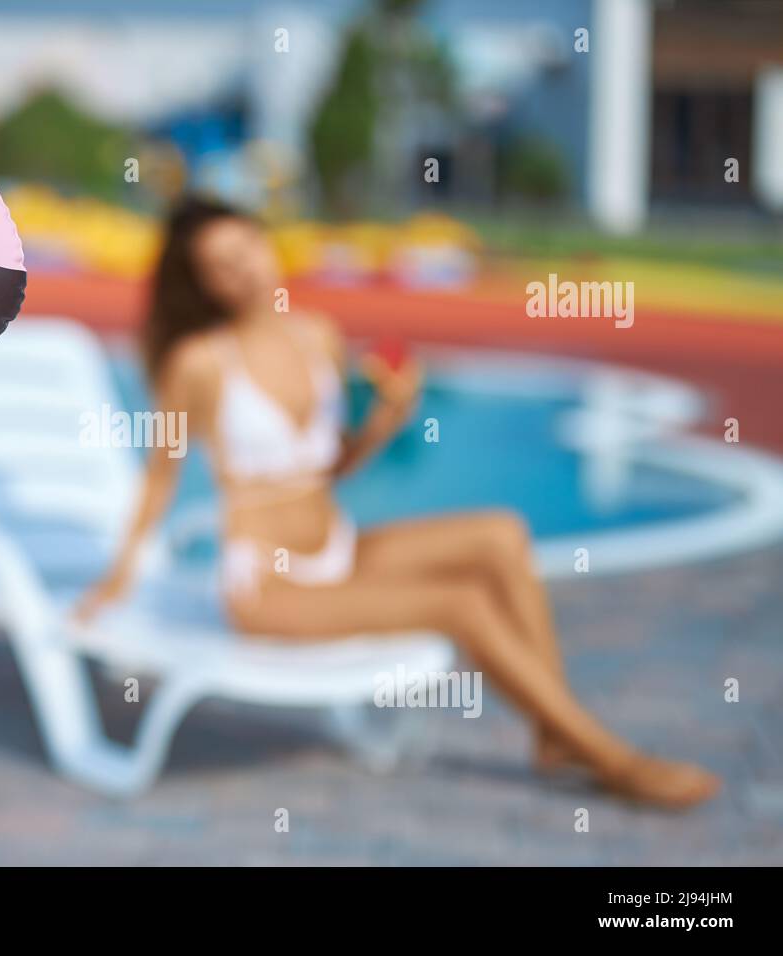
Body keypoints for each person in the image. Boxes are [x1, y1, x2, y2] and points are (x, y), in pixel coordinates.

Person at [74, 196, 719, 809]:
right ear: (204, 285)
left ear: (267, 243)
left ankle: (553, 737)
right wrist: (119, 578)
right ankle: (609, 757)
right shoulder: (201, 361)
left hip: (338, 547)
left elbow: (328, 467)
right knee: (458, 603)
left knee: (501, 534)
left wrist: (386, 421)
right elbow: (161, 478)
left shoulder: (317, 336)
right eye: (221, 265)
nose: (243, 270)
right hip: (265, 583)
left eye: (247, 247)